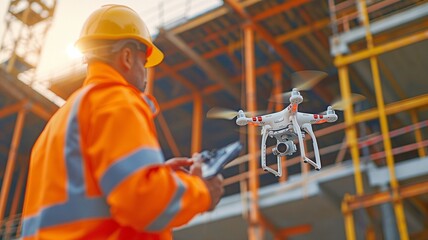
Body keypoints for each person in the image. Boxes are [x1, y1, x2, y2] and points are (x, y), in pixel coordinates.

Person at [21, 4, 224, 239]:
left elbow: (95, 198)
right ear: (127, 57)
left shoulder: (58, 124)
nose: (146, 73)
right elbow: (142, 202)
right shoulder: (116, 100)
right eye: (144, 62)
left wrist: (154, 175)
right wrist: (202, 191)